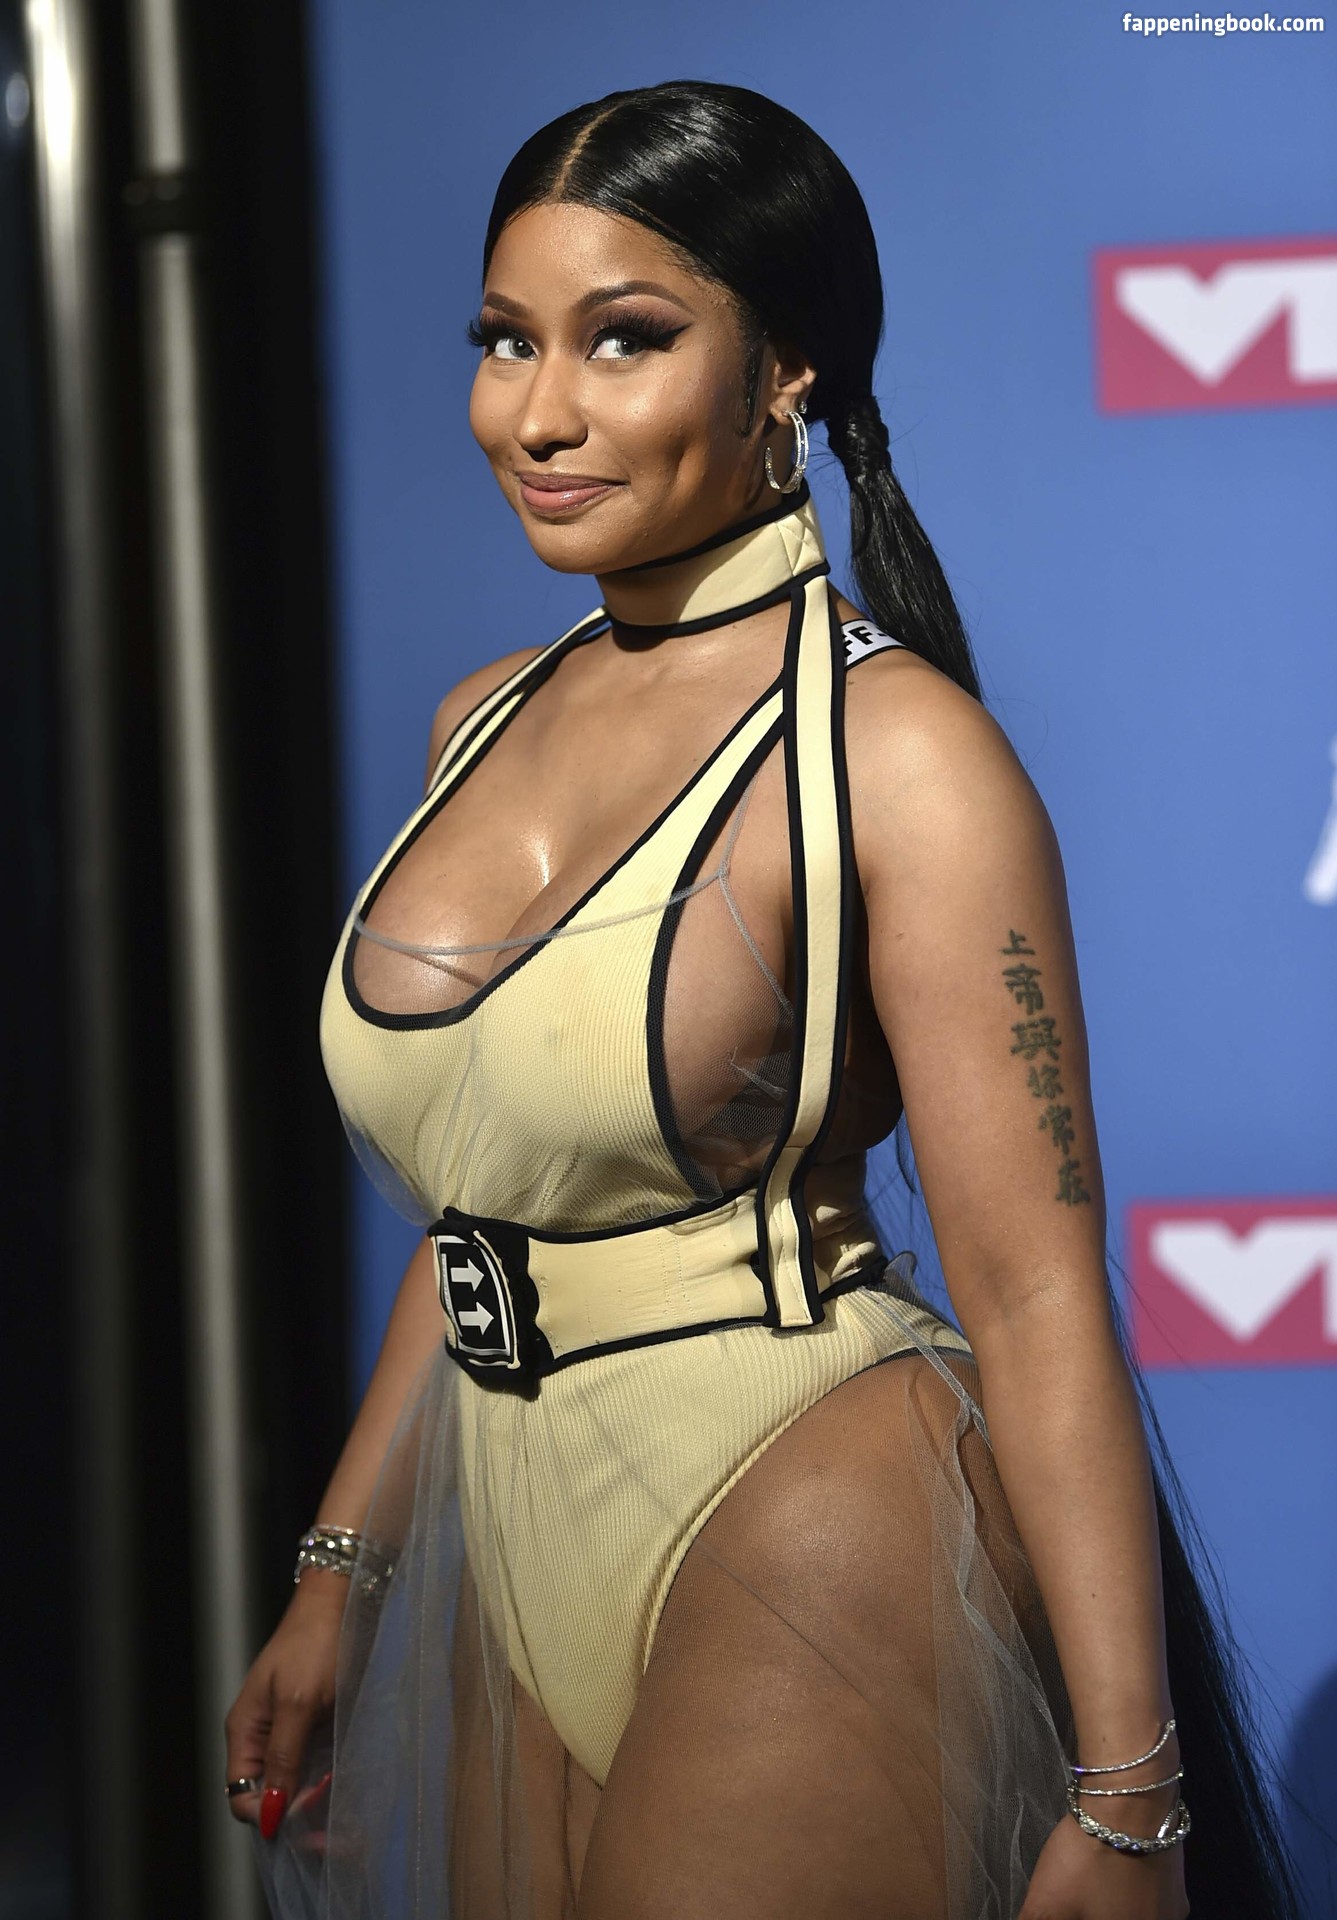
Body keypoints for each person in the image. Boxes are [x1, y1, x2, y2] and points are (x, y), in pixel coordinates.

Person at [226, 81, 1302, 1920]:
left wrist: (1131, 1797)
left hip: (813, 1509)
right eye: (504, 341)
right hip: (504, 1521)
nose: (536, 414)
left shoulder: (899, 755)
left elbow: (1036, 1293)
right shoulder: (478, 720)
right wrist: (344, 1568)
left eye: (624, 339)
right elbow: (490, 1208)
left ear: (785, 370)